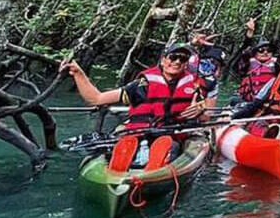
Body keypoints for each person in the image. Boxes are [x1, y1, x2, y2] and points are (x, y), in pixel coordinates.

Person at [62, 43, 207, 169]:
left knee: (171, 145)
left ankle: (155, 165)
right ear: (163, 60)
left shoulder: (194, 86)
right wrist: (78, 73)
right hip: (139, 131)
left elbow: (205, 118)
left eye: (182, 59)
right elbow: (97, 99)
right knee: (129, 142)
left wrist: (201, 110)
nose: (177, 62)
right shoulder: (141, 85)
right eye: (173, 57)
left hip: (171, 133)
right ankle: (126, 161)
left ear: (186, 63)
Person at [234, 18, 280, 101]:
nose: (265, 52)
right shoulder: (248, 62)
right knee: (234, 100)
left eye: (269, 50)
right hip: (247, 101)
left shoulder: (276, 64)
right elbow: (244, 52)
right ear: (255, 53)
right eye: (261, 50)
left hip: (267, 101)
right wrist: (249, 35)